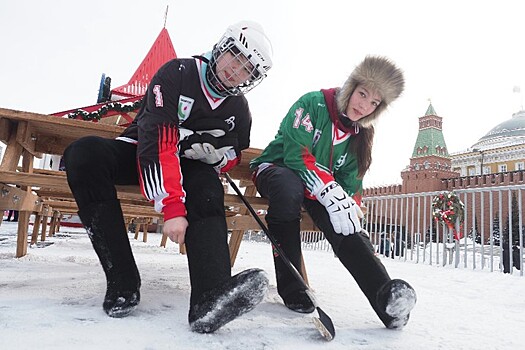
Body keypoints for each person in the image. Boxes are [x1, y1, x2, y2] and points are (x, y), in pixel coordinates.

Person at [64, 21, 273, 333]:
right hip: (139, 152)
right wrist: (172, 208)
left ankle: (210, 298)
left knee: (206, 184)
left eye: (246, 69)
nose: (235, 70)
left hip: (191, 168)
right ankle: (122, 281)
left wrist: (220, 158)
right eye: (234, 57)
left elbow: (235, 151)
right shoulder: (177, 73)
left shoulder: (239, 108)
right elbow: (156, 141)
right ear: (222, 47)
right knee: (83, 154)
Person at [250, 56, 417, 329]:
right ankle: (293, 290)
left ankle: (387, 299)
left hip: (318, 186)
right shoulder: (313, 104)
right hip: (278, 170)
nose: (364, 105)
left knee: (343, 222)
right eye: (362, 94)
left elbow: (350, 180)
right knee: (290, 189)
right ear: (350, 87)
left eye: (374, 102)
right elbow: (295, 154)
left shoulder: (359, 134)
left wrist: (350, 207)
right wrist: (328, 190)